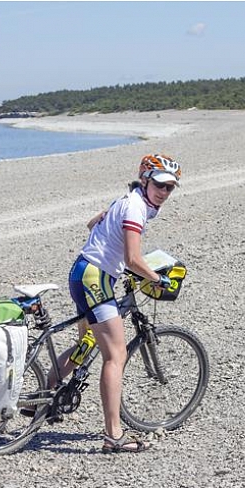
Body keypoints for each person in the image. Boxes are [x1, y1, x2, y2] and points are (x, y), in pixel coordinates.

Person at [62, 154, 180, 453]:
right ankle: (114, 435)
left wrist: (107, 234)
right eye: (160, 185)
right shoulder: (137, 208)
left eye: (170, 188)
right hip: (95, 278)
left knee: (87, 341)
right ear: (145, 180)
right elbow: (132, 258)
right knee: (116, 355)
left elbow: (92, 224)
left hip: (82, 270)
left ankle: (47, 395)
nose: (164, 192)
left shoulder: (126, 200)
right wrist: (156, 278)